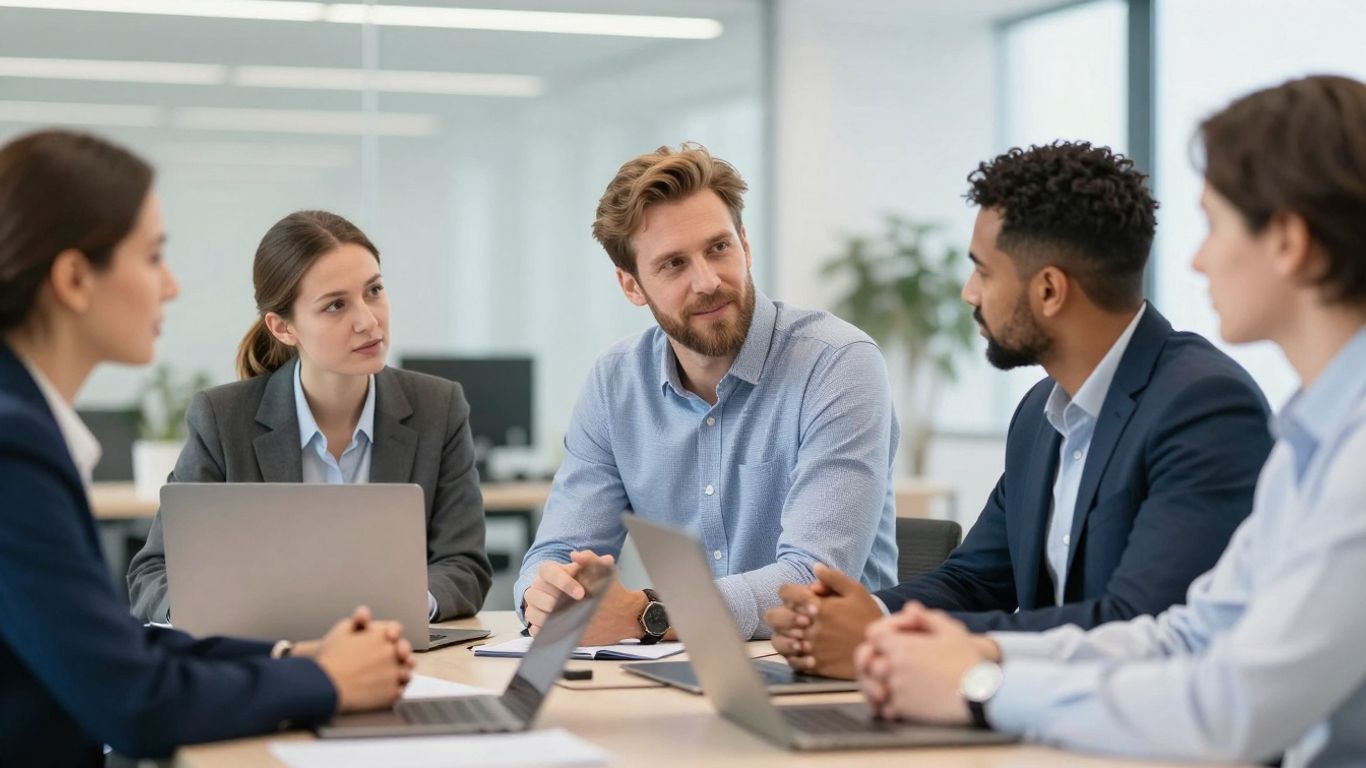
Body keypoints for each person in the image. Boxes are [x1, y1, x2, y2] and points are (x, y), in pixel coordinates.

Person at [854, 74, 1366, 768]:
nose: (1195, 258)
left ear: (1288, 241)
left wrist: (982, 683)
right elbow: (1186, 634)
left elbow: (1230, 707)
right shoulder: (1314, 438)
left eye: (1215, 224)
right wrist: (976, 652)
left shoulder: (1333, 447)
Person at [768, 141, 1272, 679]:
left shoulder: (1204, 407)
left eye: (983, 272)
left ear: (1050, 290)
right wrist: (867, 612)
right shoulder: (1040, 414)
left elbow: (1137, 625)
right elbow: (974, 579)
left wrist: (887, 640)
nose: (968, 293)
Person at [0, 129, 414, 766]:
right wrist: (327, 682)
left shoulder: (24, 427)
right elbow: (133, 700)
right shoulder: (13, 448)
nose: (171, 286)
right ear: (76, 279)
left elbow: (117, 647)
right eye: (153, 257)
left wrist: (290, 656)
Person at [514, 143, 899, 643]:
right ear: (632, 286)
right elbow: (558, 551)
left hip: (821, 674)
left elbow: (813, 578)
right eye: (673, 264)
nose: (708, 281)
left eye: (719, 247)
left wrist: (649, 615)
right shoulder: (615, 384)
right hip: (675, 672)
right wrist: (546, 596)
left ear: (745, 243)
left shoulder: (836, 362)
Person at [127, 210, 492, 623]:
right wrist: (222, 619)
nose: (368, 321)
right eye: (336, 305)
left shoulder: (437, 407)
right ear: (283, 328)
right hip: (270, 663)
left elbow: (464, 566)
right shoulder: (223, 419)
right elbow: (153, 574)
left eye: (374, 290)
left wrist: (401, 610)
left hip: (400, 659)